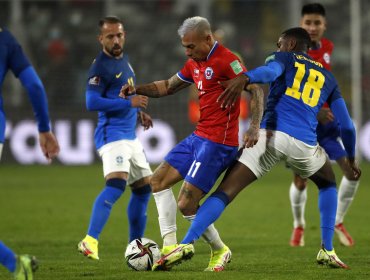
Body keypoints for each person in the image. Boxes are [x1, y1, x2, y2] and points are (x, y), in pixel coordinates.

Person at [156, 27, 361, 270]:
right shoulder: (329, 79)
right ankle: (327, 249)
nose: (277, 48)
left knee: (225, 192)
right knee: (327, 183)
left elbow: (269, 71)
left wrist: (247, 76)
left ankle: (187, 243)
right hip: (304, 145)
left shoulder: (283, 58)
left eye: (280, 44)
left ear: (292, 44)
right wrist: (350, 156)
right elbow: (347, 126)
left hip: (269, 137)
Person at [120, 16, 264, 271]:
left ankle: (220, 250)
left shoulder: (227, 60)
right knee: (157, 181)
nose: (187, 52)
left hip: (219, 143)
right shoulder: (194, 62)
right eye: (184, 47)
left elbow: (257, 90)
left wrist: (254, 127)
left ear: (208, 39)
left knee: (186, 203)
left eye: (191, 46)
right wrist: (136, 89)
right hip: (199, 136)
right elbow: (167, 86)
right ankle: (169, 246)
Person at [77, 16, 154, 261]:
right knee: (116, 185)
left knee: (143, 189)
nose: (116, 40)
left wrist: (137, 111)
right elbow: (91, 101)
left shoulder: (125, 60)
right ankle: (90, 241)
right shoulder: (100, 66)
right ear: (101, 39)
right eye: (110, 36)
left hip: (130, 135)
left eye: (119, 35)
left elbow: (123, 93)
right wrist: (128, 102)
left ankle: (135, 247)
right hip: (112, 135)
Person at [288, 3, 360, 247]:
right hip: (304, 127)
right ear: (301, 24)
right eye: (308, 22)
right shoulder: (293, 53)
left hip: (327, 130)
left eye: (317, 23)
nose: (312, 27)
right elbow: (290, 92)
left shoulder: (327, 47)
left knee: (352, 172)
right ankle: (299, 225)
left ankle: (338, 220)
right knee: (301, 181)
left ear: (324, 25)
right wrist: (316, 111)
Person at [0, 27, 60, 279]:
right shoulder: (5, 39)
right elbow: (34, 85)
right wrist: (44, 128)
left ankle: (15, 264)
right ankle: (15, 263)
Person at [187, 28, 250, 146]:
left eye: (220, 39)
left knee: (235, 137)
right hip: (210, 104)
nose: (218, 42)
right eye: (215, 39)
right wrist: (196, 99)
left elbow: (241, 76)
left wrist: (243, 93)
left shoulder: (232, 57)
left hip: (230, 102)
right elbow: (194, 82)